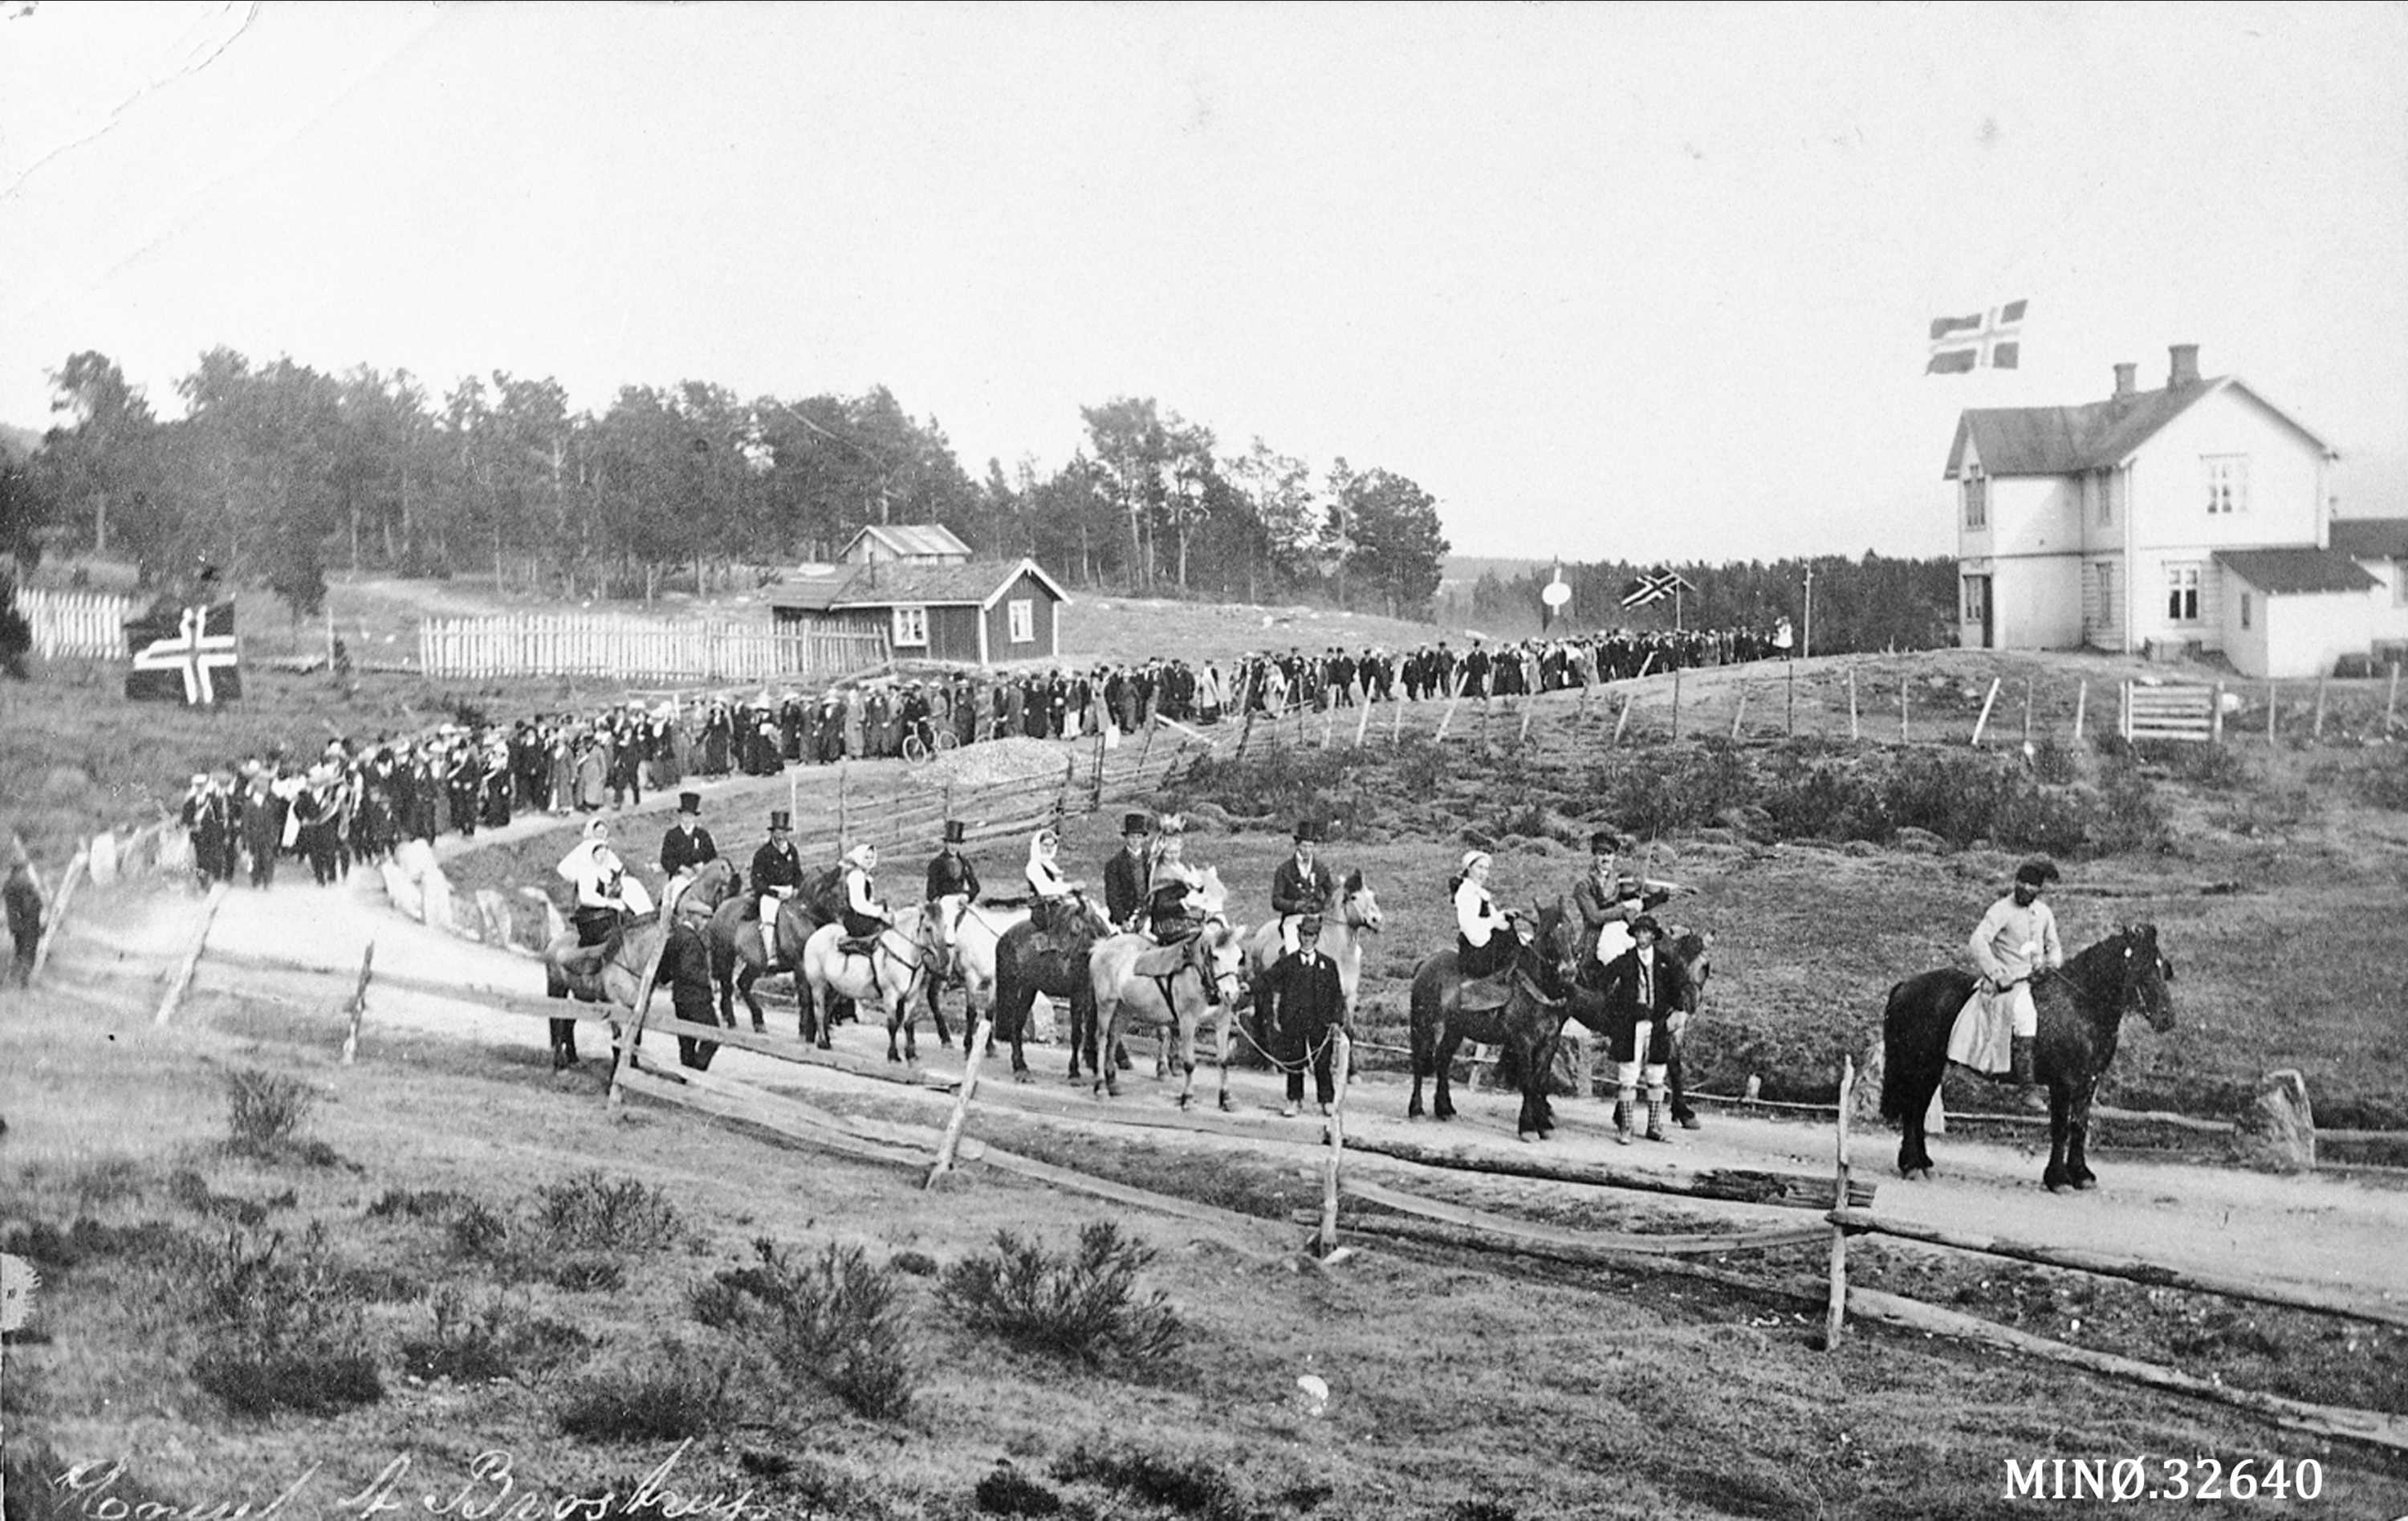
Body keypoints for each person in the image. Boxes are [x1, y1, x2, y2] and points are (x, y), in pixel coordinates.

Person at [1971, 856, 2064, 1085]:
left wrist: (2051, 964)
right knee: (2026, 1018)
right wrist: (1997, 974)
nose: (2025, 888)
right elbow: (1977, 941)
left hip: (2039, 979)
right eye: (2022, 882)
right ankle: (2026, 1087)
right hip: (2011, 982)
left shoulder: (2043, 912)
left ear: (2039, 889)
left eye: (2032, 885)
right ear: (2015, 882)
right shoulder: (2001, 909)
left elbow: (2054, 946)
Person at [1597, 914, 1686, 1144]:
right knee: (1628, 1075)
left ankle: (1654, 1126)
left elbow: (1677, 991)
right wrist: (1616, 1010)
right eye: (1638, 932)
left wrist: (1677, 1012)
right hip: (1631, 1025)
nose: (1642, 936)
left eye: (1646, 932)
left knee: (1656, 1074)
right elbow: (1602, 980)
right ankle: (1626, 1127)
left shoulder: (1665, 962)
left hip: (1657, 1025)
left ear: (1653, 936)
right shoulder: (1625, 961)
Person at [1260, 910, 1346, 1116]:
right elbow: (1268, 979)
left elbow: (1337, 995)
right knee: (1295, 1062)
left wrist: (1336, 1020)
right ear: (1299, 935)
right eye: (1304, 934)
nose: (1307, 938)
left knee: (1322, 1062)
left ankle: (1326, 1100)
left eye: (1311, 935)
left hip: (1320, 1022)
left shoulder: (1328, 965)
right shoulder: (1288, 963)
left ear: (1317, 937)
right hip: (1294, 1020)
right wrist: (1248, 986)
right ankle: (1294, 1100)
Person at [1271, 820, 1336, 955]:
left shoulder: (1321, 869)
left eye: (1310, 846)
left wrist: (1322, 905)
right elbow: (1276, 900)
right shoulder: (1284, 870)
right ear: (1297, 846)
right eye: (1304, 846)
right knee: (1294, 953)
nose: (1307, 850)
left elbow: (1330, 892)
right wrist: (1294, 905)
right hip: (1293, 920)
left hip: (1315, 919)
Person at [750, 811, 804, 962]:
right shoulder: (763, 853)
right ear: (772, 833)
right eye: (778, 832)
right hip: (771, 893)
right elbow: (756, 880)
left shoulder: (792, 850)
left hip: (790, 891)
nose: (781, 836)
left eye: (784, 832)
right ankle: (771, 955)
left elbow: (798, 873)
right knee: (768, 919)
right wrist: (773, 892)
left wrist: (796, 888)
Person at [1452, 850, 1514, 978]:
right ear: (1469, 869)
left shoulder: (1478, 892)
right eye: (1479, 867)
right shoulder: (1466, 893)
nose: (1483, 873)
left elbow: (1490, 916)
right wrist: (1494, 924)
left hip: (1485, 944)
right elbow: (1469, 927)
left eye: (1486, 869)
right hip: (1475, 951)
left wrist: (1504, 915)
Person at [1146, 828, 1205, 944]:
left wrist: (1198, 887)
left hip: (1184, 917)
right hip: (1165, 922)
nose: (1173, 857)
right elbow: (1161, 906)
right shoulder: (1161, 873)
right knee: (1197, 935)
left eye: (1176, 852)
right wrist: (1183, 903)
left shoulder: (1181, 868)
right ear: (1162, 853)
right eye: (1169, 853)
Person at [1102, 811, 1153, 932]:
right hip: (1127, 916)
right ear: (1126, 838)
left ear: (1143, 839)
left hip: (1148, 914)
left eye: (1139, 837)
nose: (1135, 841)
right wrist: (1122, 920)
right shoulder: (1115, 864)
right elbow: (1112, 895)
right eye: (1132, 837)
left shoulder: (1151, 860)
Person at [5, 839, 45, 987]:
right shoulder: (24, 885)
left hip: (15, 924)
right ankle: (24, 982)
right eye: (23, 869)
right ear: (20, 870)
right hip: (27, 924)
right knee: (28, 953)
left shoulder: (8, 884)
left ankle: (15, 978)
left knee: (19, 951)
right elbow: (32, 905)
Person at [837, 841, 889, 952]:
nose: (869, 861)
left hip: (863, 916)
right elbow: (859, 904)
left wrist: (882, 910)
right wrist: (879, 913)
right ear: (859, 858)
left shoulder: (865, 876)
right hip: (856, 919)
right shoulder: (856, 876)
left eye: (871, 858)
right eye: (866, 858)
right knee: (881, 930)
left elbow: (869, 901)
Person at [659, 791, 718, 884]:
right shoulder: (672, 835)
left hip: (701, 877)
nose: (687, 820)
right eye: (685, 816)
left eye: (690, 816)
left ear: (694, 817)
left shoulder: (703, 835)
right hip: (680, 877)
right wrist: (681, 868)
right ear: (681, 816)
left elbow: (713, 858)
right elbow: (665, 859)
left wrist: (703, 866)